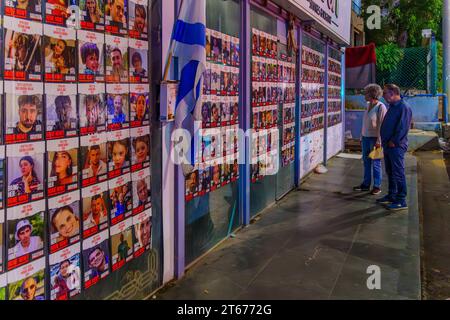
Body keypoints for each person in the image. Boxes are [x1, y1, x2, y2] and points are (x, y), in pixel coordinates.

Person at [377, 84, 413, 211]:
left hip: (395, 146)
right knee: (390, 171)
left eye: (385, 93)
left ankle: (401, 200)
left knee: (398, 173)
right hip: (388, 145)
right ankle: (392, 195)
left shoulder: (403, 107)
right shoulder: (392, 106)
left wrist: (394, 141)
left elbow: (403, 127)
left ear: (392, 93)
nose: (383, 96)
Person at [353, 84, 387, 195]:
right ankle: (366, 184)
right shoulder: (367, 105)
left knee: (376, 162)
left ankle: (377, 186)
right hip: (366, 138)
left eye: (366, 92)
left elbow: (382, 126)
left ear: (372, 94)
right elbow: (365, 122)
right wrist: (361, 136)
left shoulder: (381, 107)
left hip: (375, 139)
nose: (364, 95)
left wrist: (379, 141)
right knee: (366, 162)